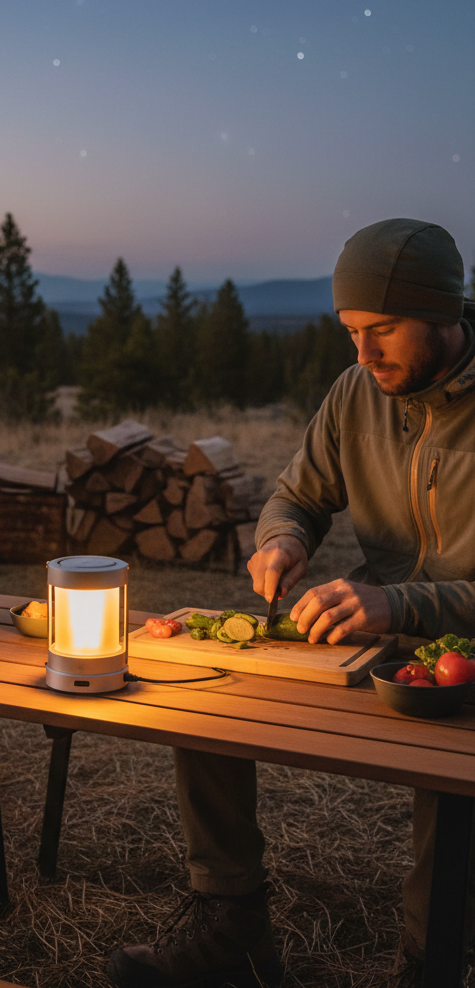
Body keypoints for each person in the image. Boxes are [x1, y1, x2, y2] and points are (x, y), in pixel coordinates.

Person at [108, 218, 475, 988]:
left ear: (446, 314)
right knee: (203, 691)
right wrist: (283, 538)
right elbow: (297, 496)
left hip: (455, 653)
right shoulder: (355, 396)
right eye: (349, 331)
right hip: (380, 635)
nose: (363, 353)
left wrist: (398, 604)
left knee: (455, 769)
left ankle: (425, 964)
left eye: (382, 330)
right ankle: (232, 930)